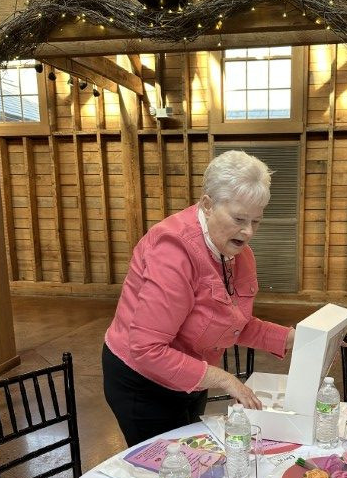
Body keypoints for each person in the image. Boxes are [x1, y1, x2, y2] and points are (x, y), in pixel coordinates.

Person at [102, 150, 295, 446]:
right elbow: (147, 349)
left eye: (256, 221)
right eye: (239, 219)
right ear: (207, 205)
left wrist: (292, 337)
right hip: (142, 383)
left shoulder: (237, 252)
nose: (248, 232)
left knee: (189, 456)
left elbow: (233, 323)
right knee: (168, 472)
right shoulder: (173, 249)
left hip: (191, 376)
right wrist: (224, 379)